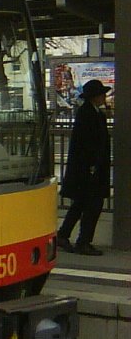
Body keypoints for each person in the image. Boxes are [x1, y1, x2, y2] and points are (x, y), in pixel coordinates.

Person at [57, 79, 111, 256]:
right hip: (89, 170)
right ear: (95, 97)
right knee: (92, 205)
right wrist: (93, 166)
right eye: (102, 94)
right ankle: (84, 241)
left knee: (80, 203)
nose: (105, 97)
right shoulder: (88, 114)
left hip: (88, 170)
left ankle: (63, 235)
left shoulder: (93, 113)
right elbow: (88, 144)